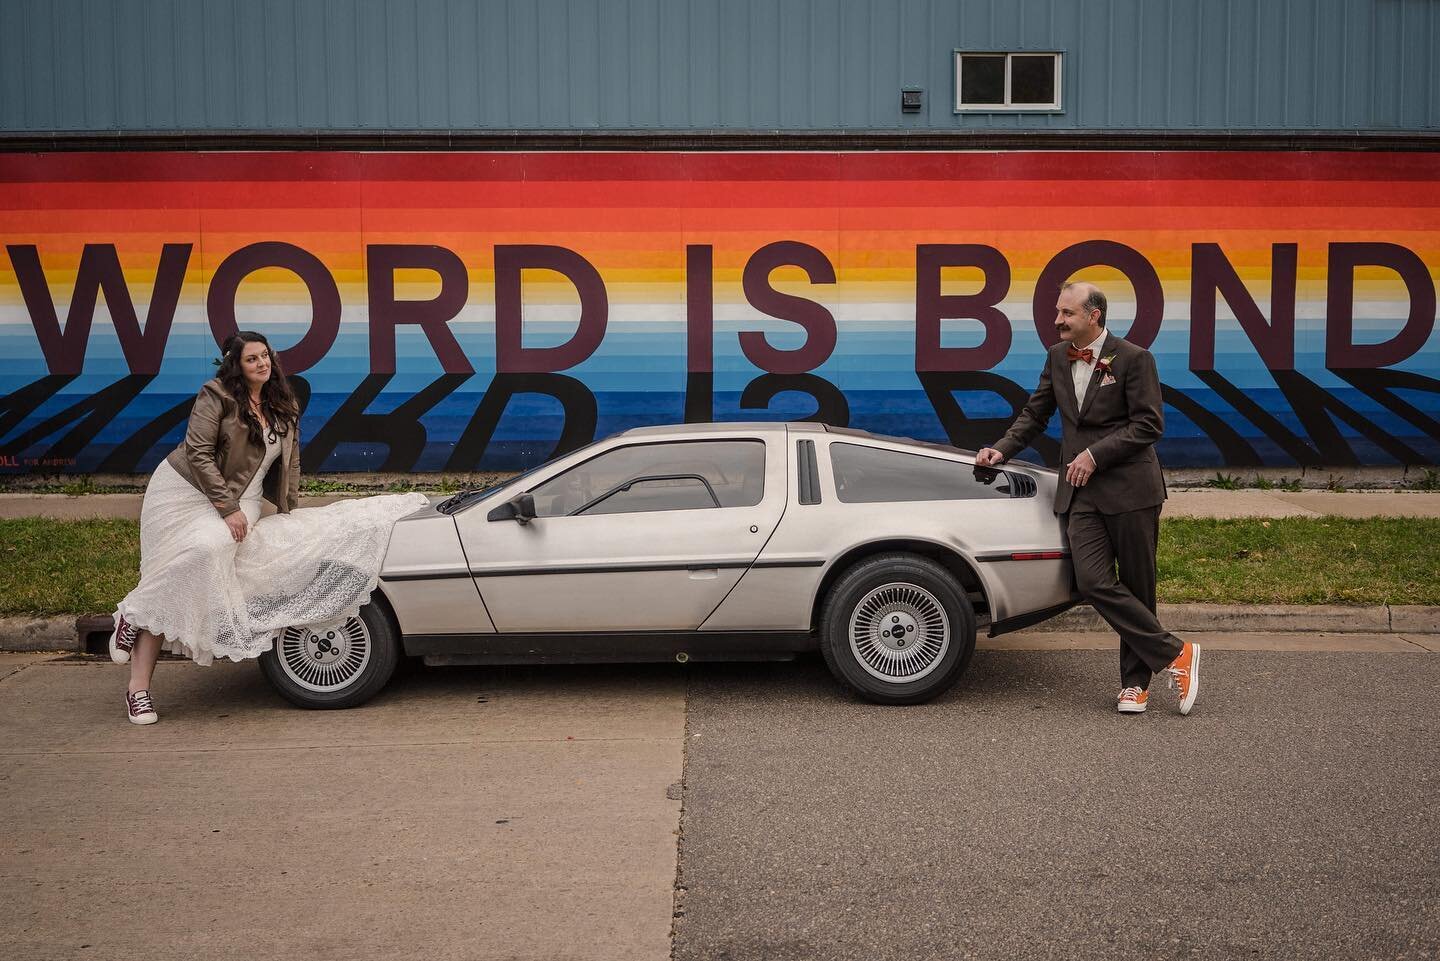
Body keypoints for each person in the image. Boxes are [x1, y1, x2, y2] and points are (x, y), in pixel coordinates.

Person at [108, 331, 428, 724]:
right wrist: (225, 509)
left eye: (265, 356)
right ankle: (137, 677)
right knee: (200, 553)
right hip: (185, 491)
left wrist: (287, 511)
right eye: (251, 359)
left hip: (245, 497)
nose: (262, 364)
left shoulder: (282, 400)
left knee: (200, 559)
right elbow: (198, 451)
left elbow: (288, 464)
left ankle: (136, 616)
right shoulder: (217, 395)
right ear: (236, 366)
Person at [975, 281, 1200, 715]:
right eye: (1059, 312)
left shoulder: (1135, 359)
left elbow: (1148, 426)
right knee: (1092, 582)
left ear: (1093, 316)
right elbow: (1035, 413)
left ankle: (1135, 686)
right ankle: (1176, 653)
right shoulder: (1058, 357)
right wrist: (1002, 449)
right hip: (1080, 494)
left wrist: (1095, 456)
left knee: (1138, 586)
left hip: (1132, 491)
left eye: (1067, 313)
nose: (1057, 320)